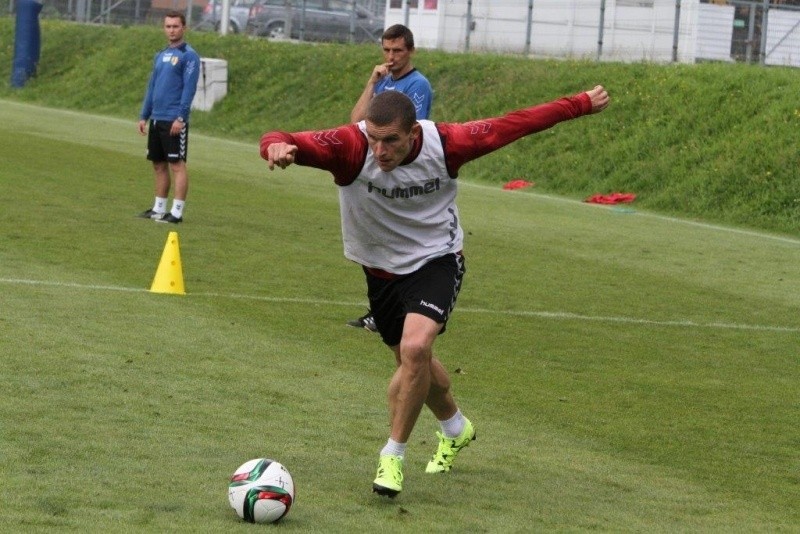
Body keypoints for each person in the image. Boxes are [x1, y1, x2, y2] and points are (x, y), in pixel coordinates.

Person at [260, 86, 610, 497]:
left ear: (413, 133)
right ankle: (455, 427)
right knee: (417, 366)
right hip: (380, 273)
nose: (380, 150)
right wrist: (276, 148)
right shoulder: (349, 146)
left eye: (390, 140)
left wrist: (579, 104)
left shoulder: (448, 144)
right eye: (373, 138)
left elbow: (515, 124)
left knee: (414, 351)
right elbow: (282, 137)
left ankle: (392, 456)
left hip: (437, 260)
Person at [347, 23, 433, 332]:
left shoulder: (417, 85)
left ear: (410, 51)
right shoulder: (382, 83)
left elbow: (417, 128)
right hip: (376, 173)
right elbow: (355, 123)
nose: (391, 56)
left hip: (402, 174)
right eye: (386, 50)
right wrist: (372, 82)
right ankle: (380, 311)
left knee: (398, 240)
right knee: (374, 239)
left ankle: (397, 311)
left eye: (397, 50)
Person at [137, 11, 200, 224]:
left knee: (177, 165)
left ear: (184, 28)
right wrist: (144, 115)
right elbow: (152, 87)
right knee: (158, 164)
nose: (171, 30)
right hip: (157, 118)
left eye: (175, 26)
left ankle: (177, 212)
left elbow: (189, 89)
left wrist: (181, 117)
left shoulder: (189, 55)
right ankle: (159, 209)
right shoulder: (160, 55)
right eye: (168, 26)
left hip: (174, 119)